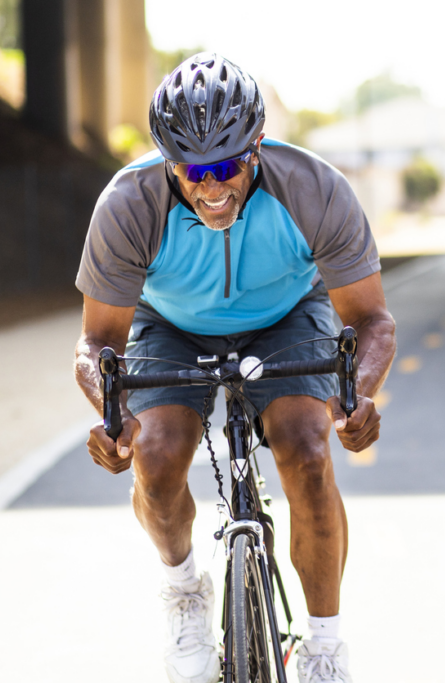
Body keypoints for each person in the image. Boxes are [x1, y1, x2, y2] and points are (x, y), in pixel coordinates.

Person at [72, 53, 395, 683]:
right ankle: (184, 589)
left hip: (286, 316)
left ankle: (324, 647)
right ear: (168, 160)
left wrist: (353, 396)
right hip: (169, 325)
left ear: (257, 148)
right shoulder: (128, 205)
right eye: (193, 171)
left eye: (226, 166)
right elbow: (96, 343)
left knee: (306, 449)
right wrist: (112, 417)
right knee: (158, 456)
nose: (211, 187)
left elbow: (372, 321)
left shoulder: (314, 188)